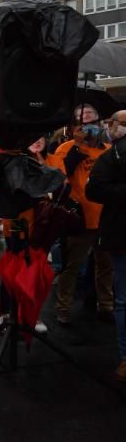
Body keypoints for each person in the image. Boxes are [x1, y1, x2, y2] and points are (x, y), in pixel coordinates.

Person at [47, 104, 113, 326]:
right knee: (71, 268)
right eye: (81, 120)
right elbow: (57, 179)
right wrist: (75, 148)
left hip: (104, 218)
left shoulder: (107, 150)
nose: (87, 124)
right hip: (78, 219)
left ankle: (105, 306)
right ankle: (63, 308)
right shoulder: (66, 148)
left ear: (99, 122)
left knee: (105, 267)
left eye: (90, 119)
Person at [85, 109, 126, 381]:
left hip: (118, 232)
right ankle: (125, 357)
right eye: (118, 123)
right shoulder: (114, 154)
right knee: (123, 298)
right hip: (121, 235)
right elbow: (94, 189)